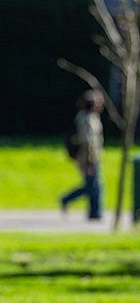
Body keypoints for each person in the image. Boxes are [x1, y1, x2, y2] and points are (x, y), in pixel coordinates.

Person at [61, 90, 104, 221]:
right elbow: (88, 141)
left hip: (92, 157)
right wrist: (89, 161)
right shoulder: (86, 118)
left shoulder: (91, 117)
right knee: (93, 186)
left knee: (93, 186)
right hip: (88, 158)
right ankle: (94, 212)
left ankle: (94, 212)